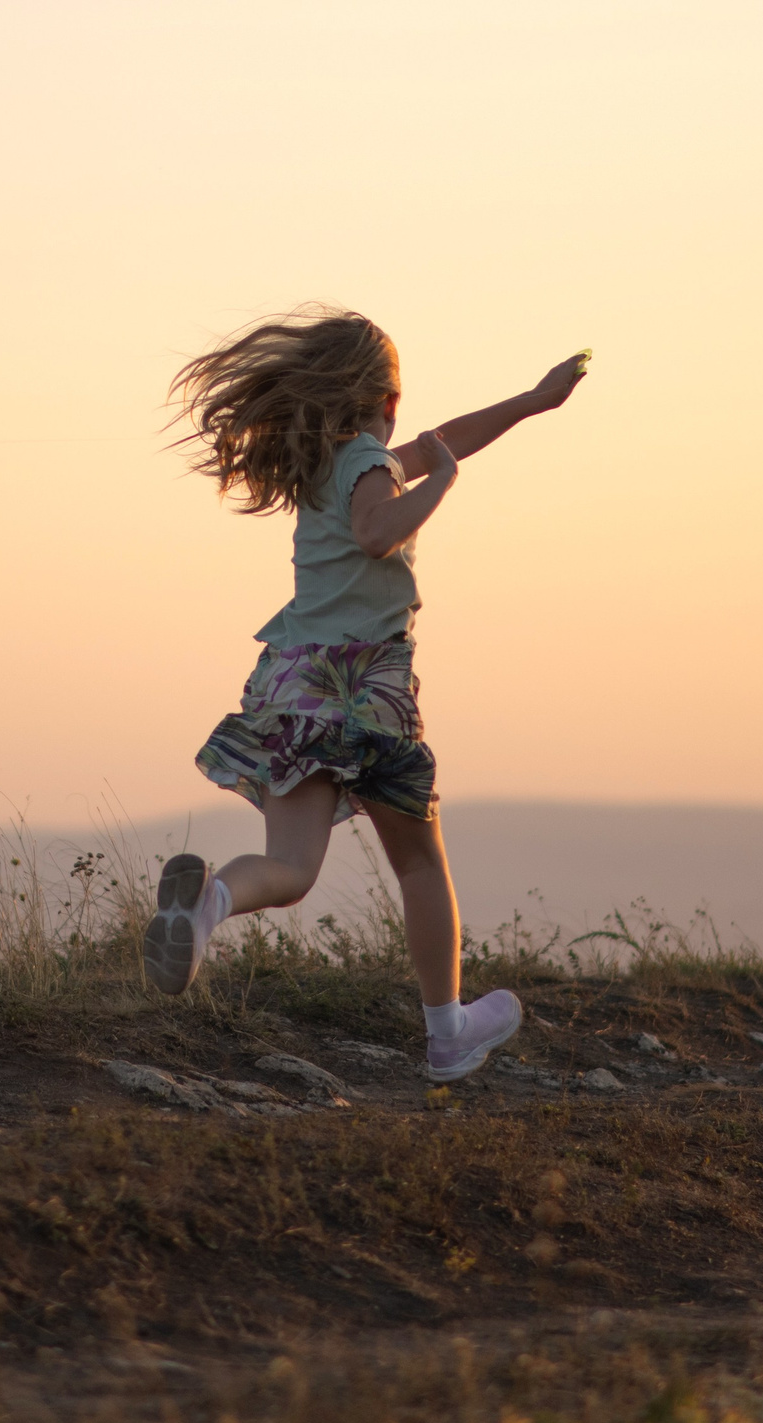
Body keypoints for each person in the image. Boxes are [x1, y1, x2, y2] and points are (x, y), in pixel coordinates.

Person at [142, 308, 588, 1081]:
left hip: (293, 682)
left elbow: (445, 436)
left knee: (290, 868)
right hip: (365, 690)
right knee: (419, 864)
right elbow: (377, 532)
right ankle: (447, 1032)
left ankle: (208, 905)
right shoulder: (369, 468)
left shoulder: (324, 463)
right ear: (385, 401)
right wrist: (442, 483)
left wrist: (530, 401)